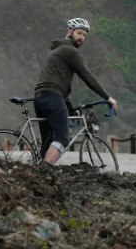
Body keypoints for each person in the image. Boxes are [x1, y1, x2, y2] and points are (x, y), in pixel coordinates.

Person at [33, 18, 118, 164]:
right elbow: (87, 77)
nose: (82, 38)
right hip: (52, 97)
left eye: (84, 35)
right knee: (62, 138)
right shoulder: (70, 51)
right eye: (79, 33)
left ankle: (36, 175)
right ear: (69, 31)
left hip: (40, 98)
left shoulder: (56, 50)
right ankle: (43, 171)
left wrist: (71, 108)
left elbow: (60, 84)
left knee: (47, 142)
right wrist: (107, 97)